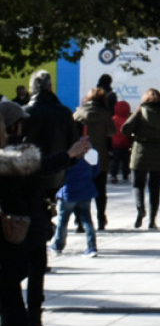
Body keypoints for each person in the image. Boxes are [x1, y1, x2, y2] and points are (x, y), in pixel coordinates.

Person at [0, 101, 90, 326]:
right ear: (12, 126)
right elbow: (42, 168)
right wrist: (70, 155)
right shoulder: (18, 157)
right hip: (22, 228)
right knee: (20, 286)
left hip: (14, 231)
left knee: (11, 289)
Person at [122, 89, 160, 229]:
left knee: (138, 184)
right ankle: (152, 220)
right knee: (155, 187)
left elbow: (125, 129)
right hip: (159, 151)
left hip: (141, 149)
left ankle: (140, 209)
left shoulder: (141, 111)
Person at [73, 87, 116, 230]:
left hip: (82, 154)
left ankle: (80, 220)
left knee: (81, 187)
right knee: (100, 189)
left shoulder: (79, 112)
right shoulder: (105, 114)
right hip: (99, 155)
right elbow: (112, 132)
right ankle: (101, 218)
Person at [50, 146, 100, 257]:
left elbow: (59, 174)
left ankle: (58, 246)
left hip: (69, 191)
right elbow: (96, 171)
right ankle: (92, 247)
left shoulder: (68, 154)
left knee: (63, 221)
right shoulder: (92, 153)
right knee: (87, 220)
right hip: (86, 190)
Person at [109, 100, 132, 183]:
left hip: (115, 144)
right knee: (126, 160)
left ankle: (113, 175)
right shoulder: (128, 120)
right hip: (125, 144)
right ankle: (125, 174)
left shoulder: (113, 119)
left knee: (115, 161)